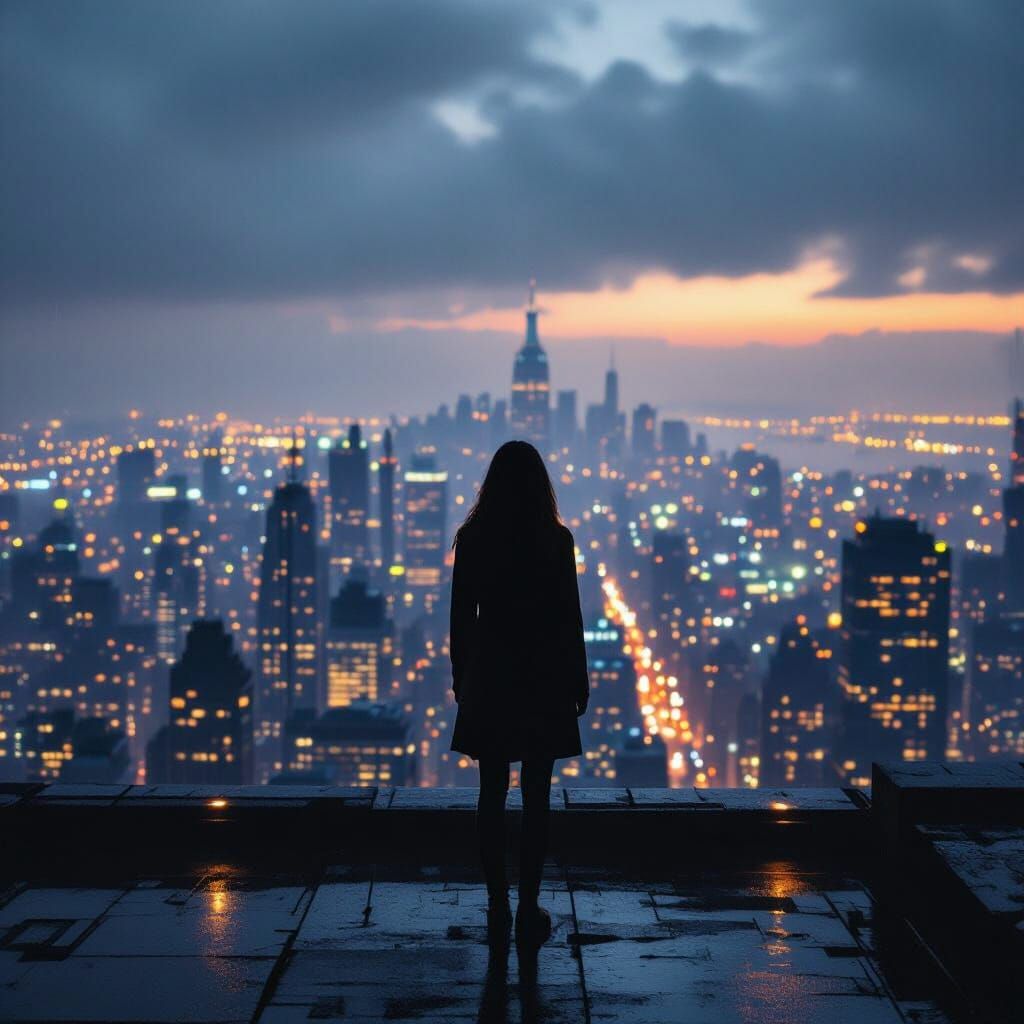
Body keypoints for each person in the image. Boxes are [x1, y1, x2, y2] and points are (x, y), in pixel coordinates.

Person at [449, 440, 589, 947]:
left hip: (491, 675)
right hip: (544, 674)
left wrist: (461, 676)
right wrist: (578, 678)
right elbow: (570, 618)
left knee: (491, 792)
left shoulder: (473, 538)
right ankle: (529, 903)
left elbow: (462, 618)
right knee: (537, 795)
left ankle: (496, 903)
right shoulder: (555, 539)